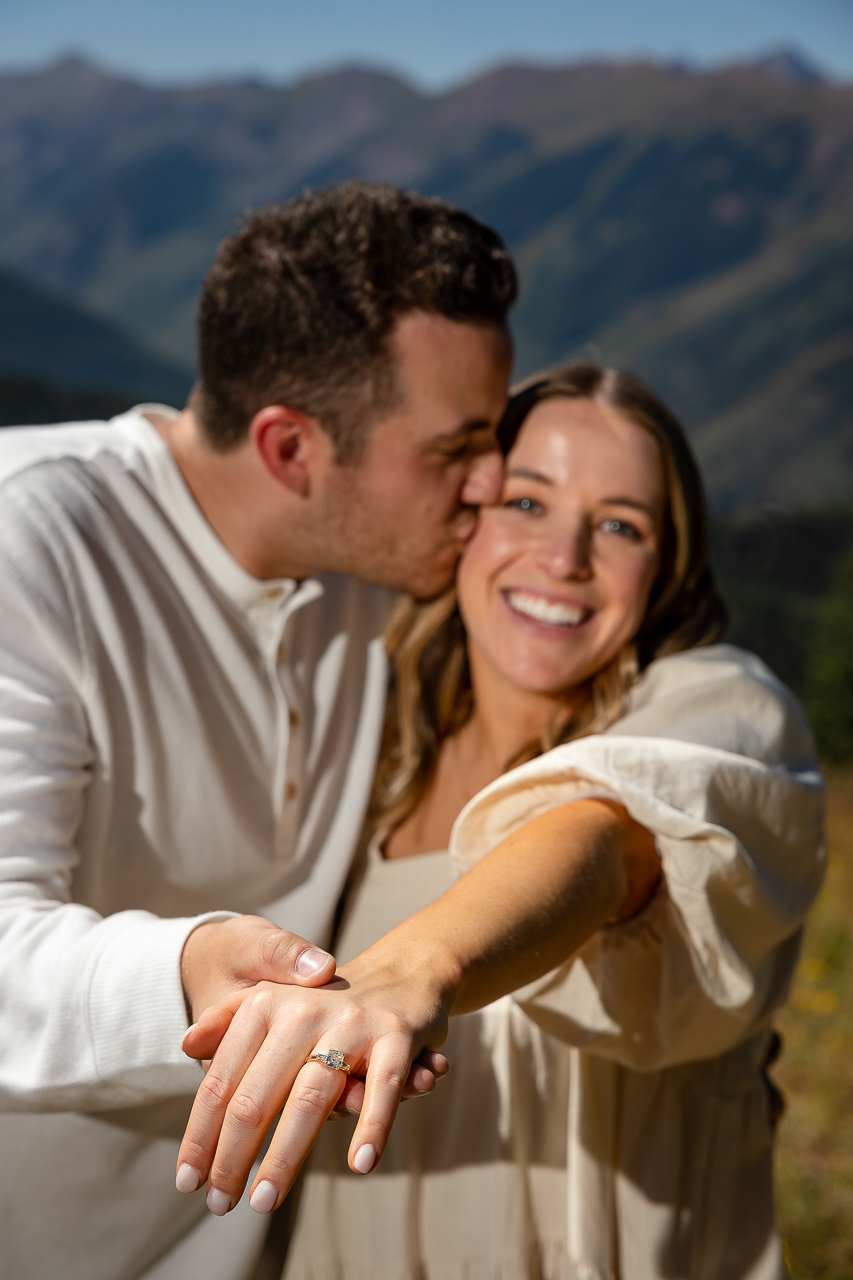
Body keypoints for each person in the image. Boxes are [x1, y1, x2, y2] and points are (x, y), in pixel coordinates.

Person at [179, 365, 825, 1279]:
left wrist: (411, 973)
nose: (564, 557)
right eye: (527, 502)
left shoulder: (720, 710)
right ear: (463, 517)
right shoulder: (372, 751)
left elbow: (606, 838)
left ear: (665, 566)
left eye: (618, 525)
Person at [0, 181, 517, 1280]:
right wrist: (193, 968)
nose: (494, 485)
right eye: (454, 448)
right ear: (290, 450)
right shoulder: (26, 541)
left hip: (242, 1245)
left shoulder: (380, 562)